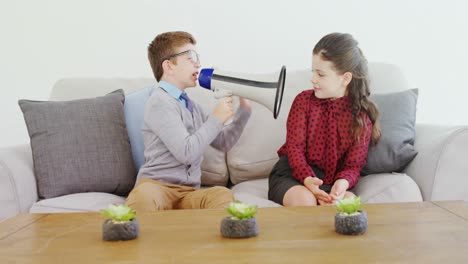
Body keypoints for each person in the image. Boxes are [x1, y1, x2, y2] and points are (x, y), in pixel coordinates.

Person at [126, 31, 252, 212]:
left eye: (197, 57)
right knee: (143, 198)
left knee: (221, 195)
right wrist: (216, 118)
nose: (198, 63)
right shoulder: (159, 101)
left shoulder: (192, 106)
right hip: (157, 186)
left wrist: (245, 110)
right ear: (169, 66)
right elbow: (186, 152)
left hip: (189, 192)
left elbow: (224, 142)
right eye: (190, 57)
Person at [268, 33, 381, 207]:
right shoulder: (303, 101)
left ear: (345, 78)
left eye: (320, 74)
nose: (313, 79)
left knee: (347, 203)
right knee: (306, 201)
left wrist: (342, 183)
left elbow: (353, 166)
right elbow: (294, 148)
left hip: (331, 181)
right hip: (294, 174)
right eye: (313, 71)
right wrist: (307, 178)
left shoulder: (361, 118)